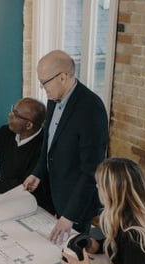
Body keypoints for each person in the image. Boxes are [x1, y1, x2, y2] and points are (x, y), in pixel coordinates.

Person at [23, 50, 109, 244]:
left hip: (77, 205)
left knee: (72, 255)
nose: (42, 86)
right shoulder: (54, 97)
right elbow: (49, 142)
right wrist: (38, 172)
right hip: (56, 194)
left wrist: (70, 215)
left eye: (44, 81)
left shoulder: (91, 108)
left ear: (62, 77)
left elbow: (92, 171)